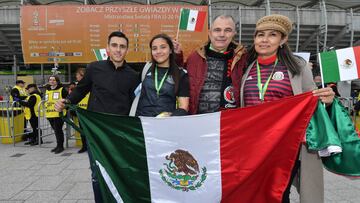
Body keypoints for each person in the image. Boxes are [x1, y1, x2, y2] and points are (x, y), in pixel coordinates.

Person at [240, 14, 335, 203]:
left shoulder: (297, 66)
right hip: (254, 146)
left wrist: (328, 99)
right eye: (260, 35)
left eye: (272, 35)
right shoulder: (247, 67)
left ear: (283, 40)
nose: (264, 40)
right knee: (256, 193)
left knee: (278, 193)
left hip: (285, 145)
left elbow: (313, 99)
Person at [54, 31, 139, 203]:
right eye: (114, 45)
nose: (118, 50)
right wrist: (66, 101)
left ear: (127, 50)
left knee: (120, 172)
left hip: (120, 133)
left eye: (122, 46)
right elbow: (81, 90)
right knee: (97, 173)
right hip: (96, 132)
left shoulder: (133, 75)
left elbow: (134, 105)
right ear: (107, 48)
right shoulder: (94, 68)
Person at [176, 15, 247, 114]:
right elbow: (178, 76)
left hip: (229, 121)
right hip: (198, 119)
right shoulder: (195, 57)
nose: (222, 34)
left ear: (234, 33)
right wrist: (176, 56)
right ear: (210, 33)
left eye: (228, 30)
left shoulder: (242, 58)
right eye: (217, 30)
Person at [135, 34, 189, 117]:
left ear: (171, 50)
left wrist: (170, 117)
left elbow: (184, 107)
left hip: (165, 125)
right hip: (142, 123)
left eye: (163, 47)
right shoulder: (145, 69)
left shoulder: (181, 74)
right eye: (154, 48)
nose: (158, 51)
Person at [45, 75, 68, 154]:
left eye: (53, 80)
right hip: (49, 114)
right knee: (55, 130)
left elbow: (67, 99)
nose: (52, 81)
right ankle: (58, 145)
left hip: (59, 114)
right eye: (50, 80)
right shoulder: (47, 90)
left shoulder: (62, 89)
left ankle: (60, 146)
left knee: (58, 130)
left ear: (57, 81)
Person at [74, 67, 89, 153]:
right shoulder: (78, 86)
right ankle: (84, 146)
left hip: (89, 111)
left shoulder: (90, 84)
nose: (76, 76)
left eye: (77, 75)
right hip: (80, 111)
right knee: (82, 130)